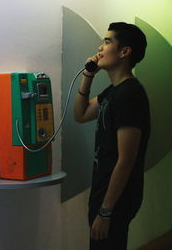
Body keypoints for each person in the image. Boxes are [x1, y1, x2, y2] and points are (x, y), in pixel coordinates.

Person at [74, 22, 150, 250]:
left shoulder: (130, 95)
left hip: (116, 198)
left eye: (107, 42)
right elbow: (81, 114)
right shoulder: (114, 92)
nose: (100, 48)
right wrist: (88, 75)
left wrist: (106, 212)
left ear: (125, 52)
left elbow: (126, 160)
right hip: (104, 189)